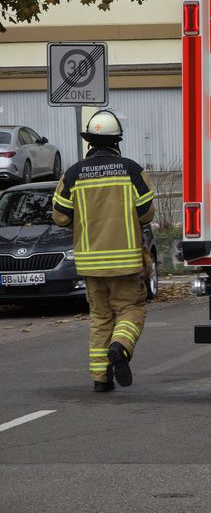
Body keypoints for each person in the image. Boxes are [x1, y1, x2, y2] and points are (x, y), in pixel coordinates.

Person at [52, 110, 155, 392]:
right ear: (116, 141)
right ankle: (119, 347)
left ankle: (101, 379)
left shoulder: (72, 174)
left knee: (100, 318)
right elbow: (146, 214)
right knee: (131, 309)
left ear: (89, 142)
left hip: (90, 263)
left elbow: (60, 216)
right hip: (125, 262)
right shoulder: (131, 170)